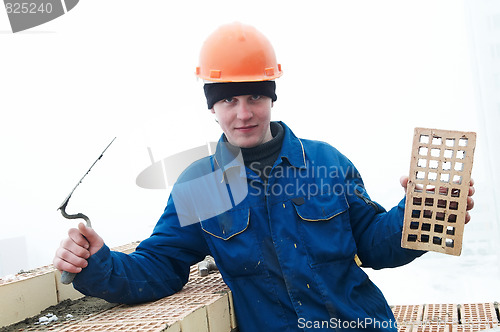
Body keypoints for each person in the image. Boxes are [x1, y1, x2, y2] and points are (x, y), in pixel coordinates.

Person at [53, 22, 475, 331]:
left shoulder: (327, 164)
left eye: (255, 95)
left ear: (271, 96)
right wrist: (96, 264)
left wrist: (421, 213)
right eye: (229, 99)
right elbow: (159, 266)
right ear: (211, 107)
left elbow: (374, 245)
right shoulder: (202, 187)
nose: (243, 113)